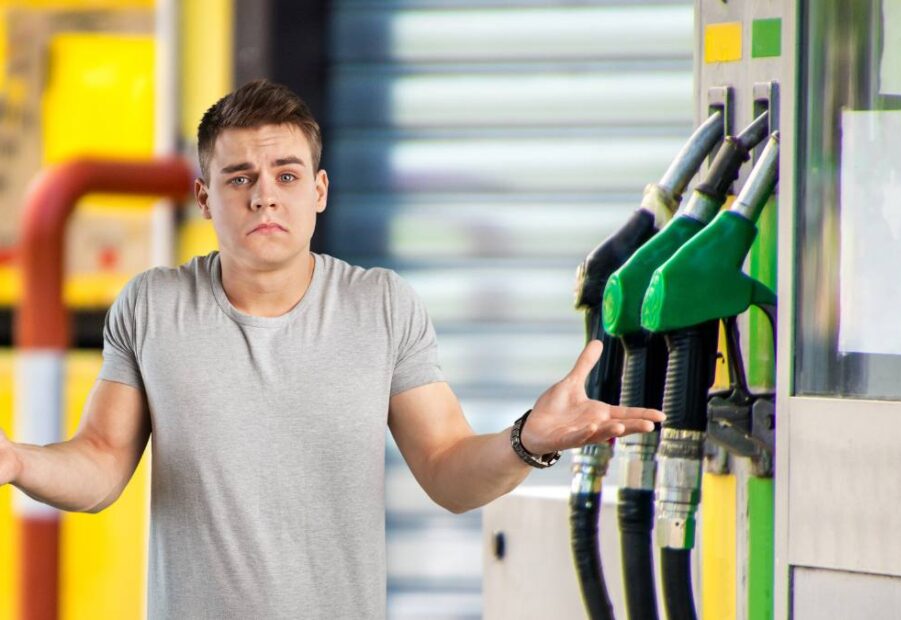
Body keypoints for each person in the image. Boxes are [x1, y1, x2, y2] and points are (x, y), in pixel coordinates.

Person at [0, 80, 664, 618]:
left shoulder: (380, 305)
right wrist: (14, 460)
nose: (264, 194)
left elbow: (447, 470)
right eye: (239, 178)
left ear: (317, 192)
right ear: (204, 198)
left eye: (286, 175)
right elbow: (100, 465)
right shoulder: (152, 305)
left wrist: (527, 438)